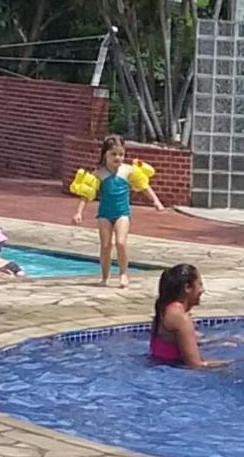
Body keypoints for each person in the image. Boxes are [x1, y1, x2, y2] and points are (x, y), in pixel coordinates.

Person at [72, 135, 164, 288]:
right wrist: (79, 212)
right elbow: (86, 195)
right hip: (104, 214)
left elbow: (144, 186)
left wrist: (156, 201)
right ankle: (105, 276)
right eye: (113, 154)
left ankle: (123, 273)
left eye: (121, 154)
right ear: (105, 155)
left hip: (122, 213)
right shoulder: (98, 174)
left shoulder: (128, 171)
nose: (118, 157)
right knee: (106, 246)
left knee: (120, 243)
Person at [150, 264, 232, 369]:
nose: (203, 290)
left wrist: (219, 342)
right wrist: (234, 362)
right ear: (187, 287)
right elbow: (195, 365)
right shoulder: (180, 317)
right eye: (200, 285)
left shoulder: (164, 308)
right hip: (173, 376)